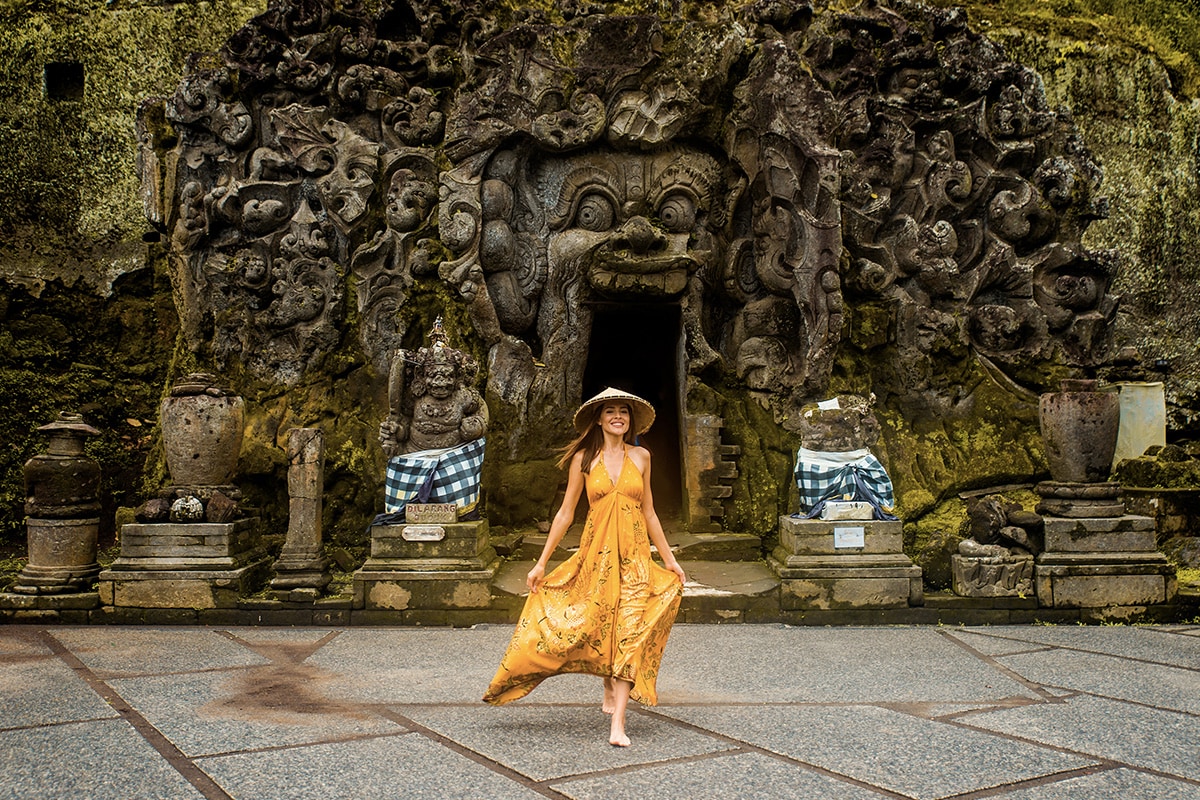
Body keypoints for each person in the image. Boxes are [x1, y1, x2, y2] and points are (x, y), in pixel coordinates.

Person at [482, 387, 687, 747]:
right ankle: (604, 681)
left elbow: (649, 511)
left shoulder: (641, 457)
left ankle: (618, 725)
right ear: (598, 418)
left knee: (628, 632)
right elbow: (565, 513)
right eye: (610, 411)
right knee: (592, 622)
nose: (618, 417)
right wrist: (541, 563)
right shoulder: (583, 459)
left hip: (636, 559)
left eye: (624, 411)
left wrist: (669, 560)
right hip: (596, 557)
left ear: (630, 420)